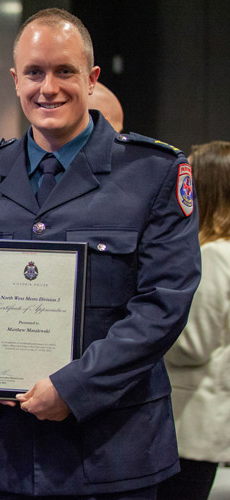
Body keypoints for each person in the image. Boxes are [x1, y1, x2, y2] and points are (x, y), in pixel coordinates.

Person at [0, 8, 201, 499]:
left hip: (112, 455)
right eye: (34, 72)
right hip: (4, 457)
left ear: (91, 78)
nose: (49, 87)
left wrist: (74, 387)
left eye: (65, 71)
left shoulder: (154, 173)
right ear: (14, 79)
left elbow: (163, 305)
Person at [158, 141, 230, 500]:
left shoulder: (215, 256)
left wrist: (143, 327)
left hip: (189, 427)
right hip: (198, 424)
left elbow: (192, 345)